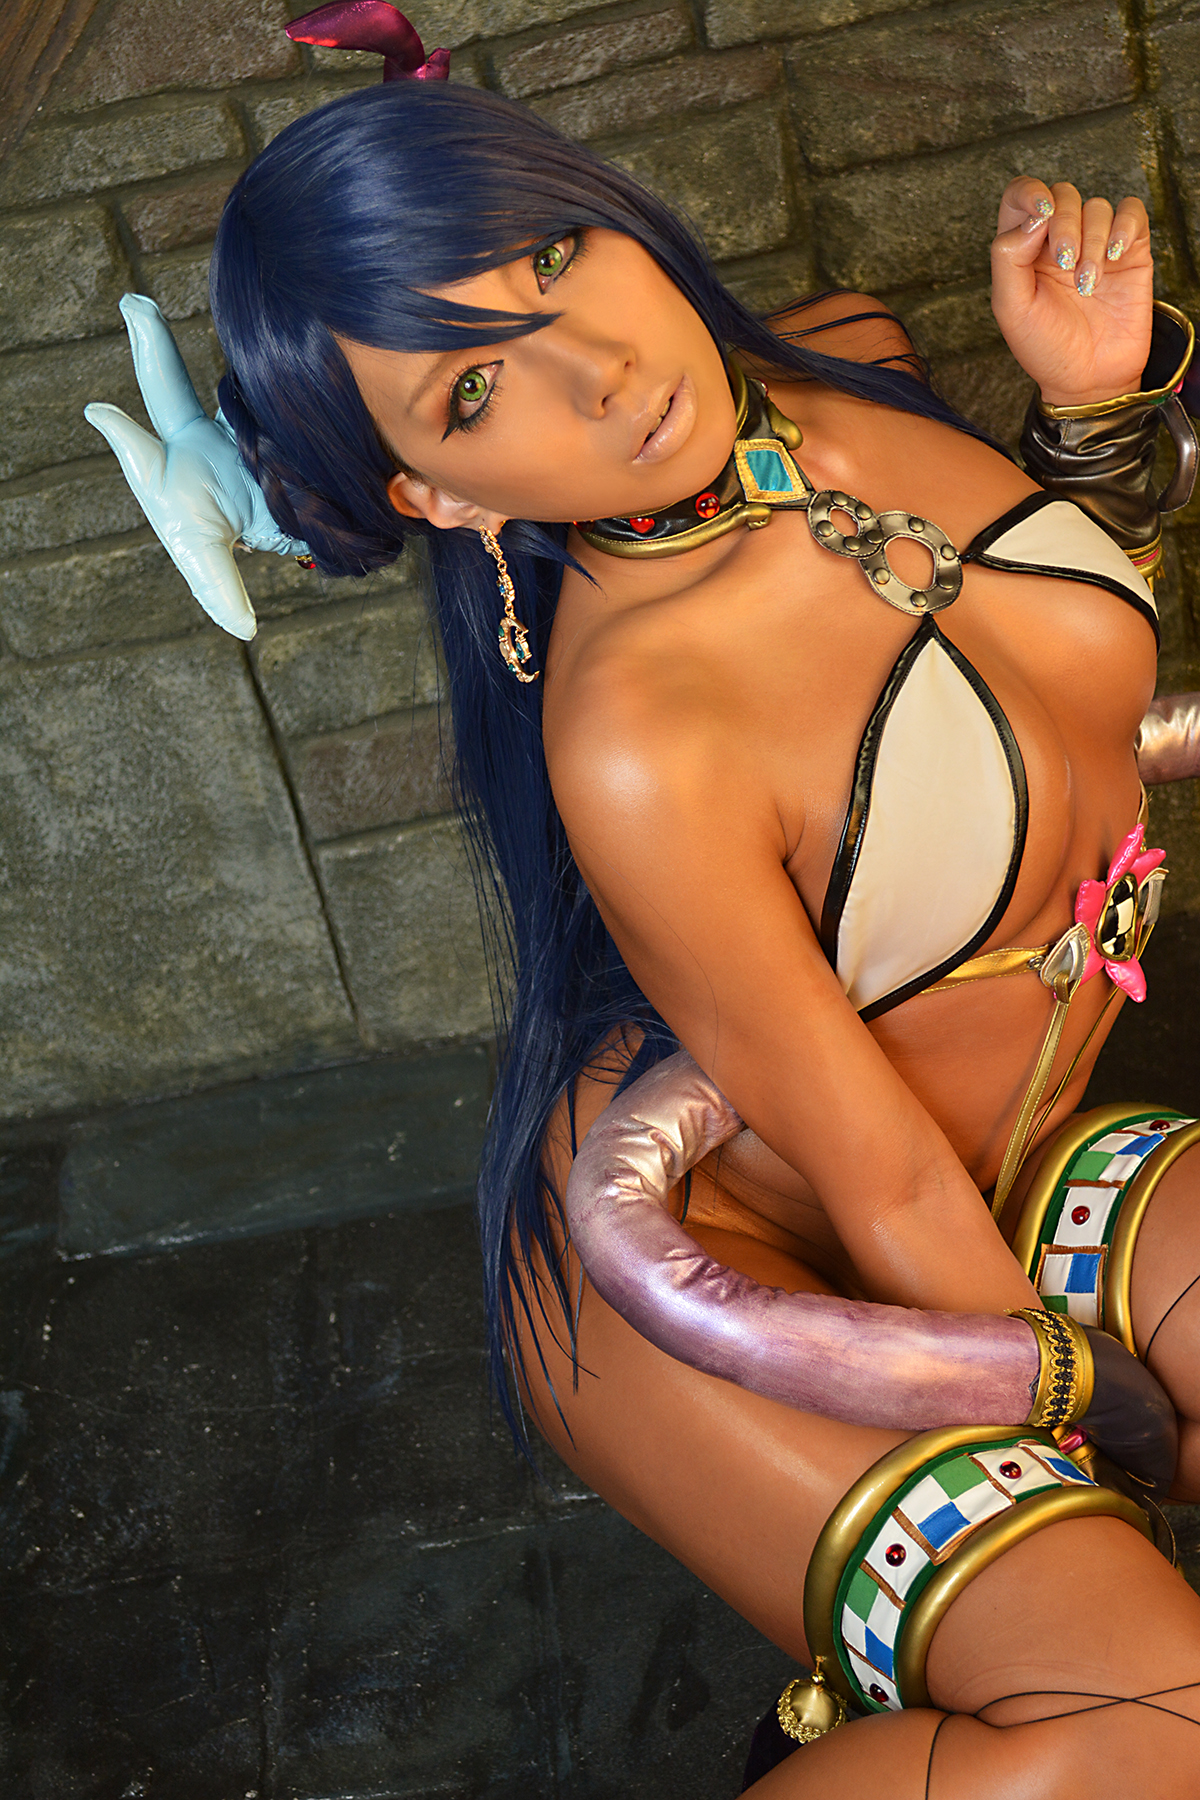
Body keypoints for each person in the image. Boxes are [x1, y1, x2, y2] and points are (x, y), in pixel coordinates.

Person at [87, 12, 1200, 1792]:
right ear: (437, 494)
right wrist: (1077, 1429)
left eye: (550, 256)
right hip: (709, 1270)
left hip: (1007, 1157)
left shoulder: (850, 358)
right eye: (471, 392)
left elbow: (1055, 689)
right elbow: (884, 1184)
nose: (601, 371)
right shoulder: (640, 737)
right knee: (1154, 1720)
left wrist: (1090, 405)